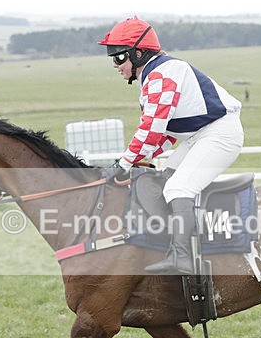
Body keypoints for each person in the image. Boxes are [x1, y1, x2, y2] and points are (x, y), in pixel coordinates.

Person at [98, 16, 244, 275]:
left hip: (219, 134)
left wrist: (123, 164)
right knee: (163, 181)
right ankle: (170, 246)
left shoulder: (162, 74)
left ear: (139, 53)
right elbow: (164, 134)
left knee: (178, 188)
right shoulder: (153, 75)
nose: (115, 64)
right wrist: (140, 159)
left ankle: (183, 257)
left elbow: (151, 130)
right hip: (200, 135)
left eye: (119, 57)